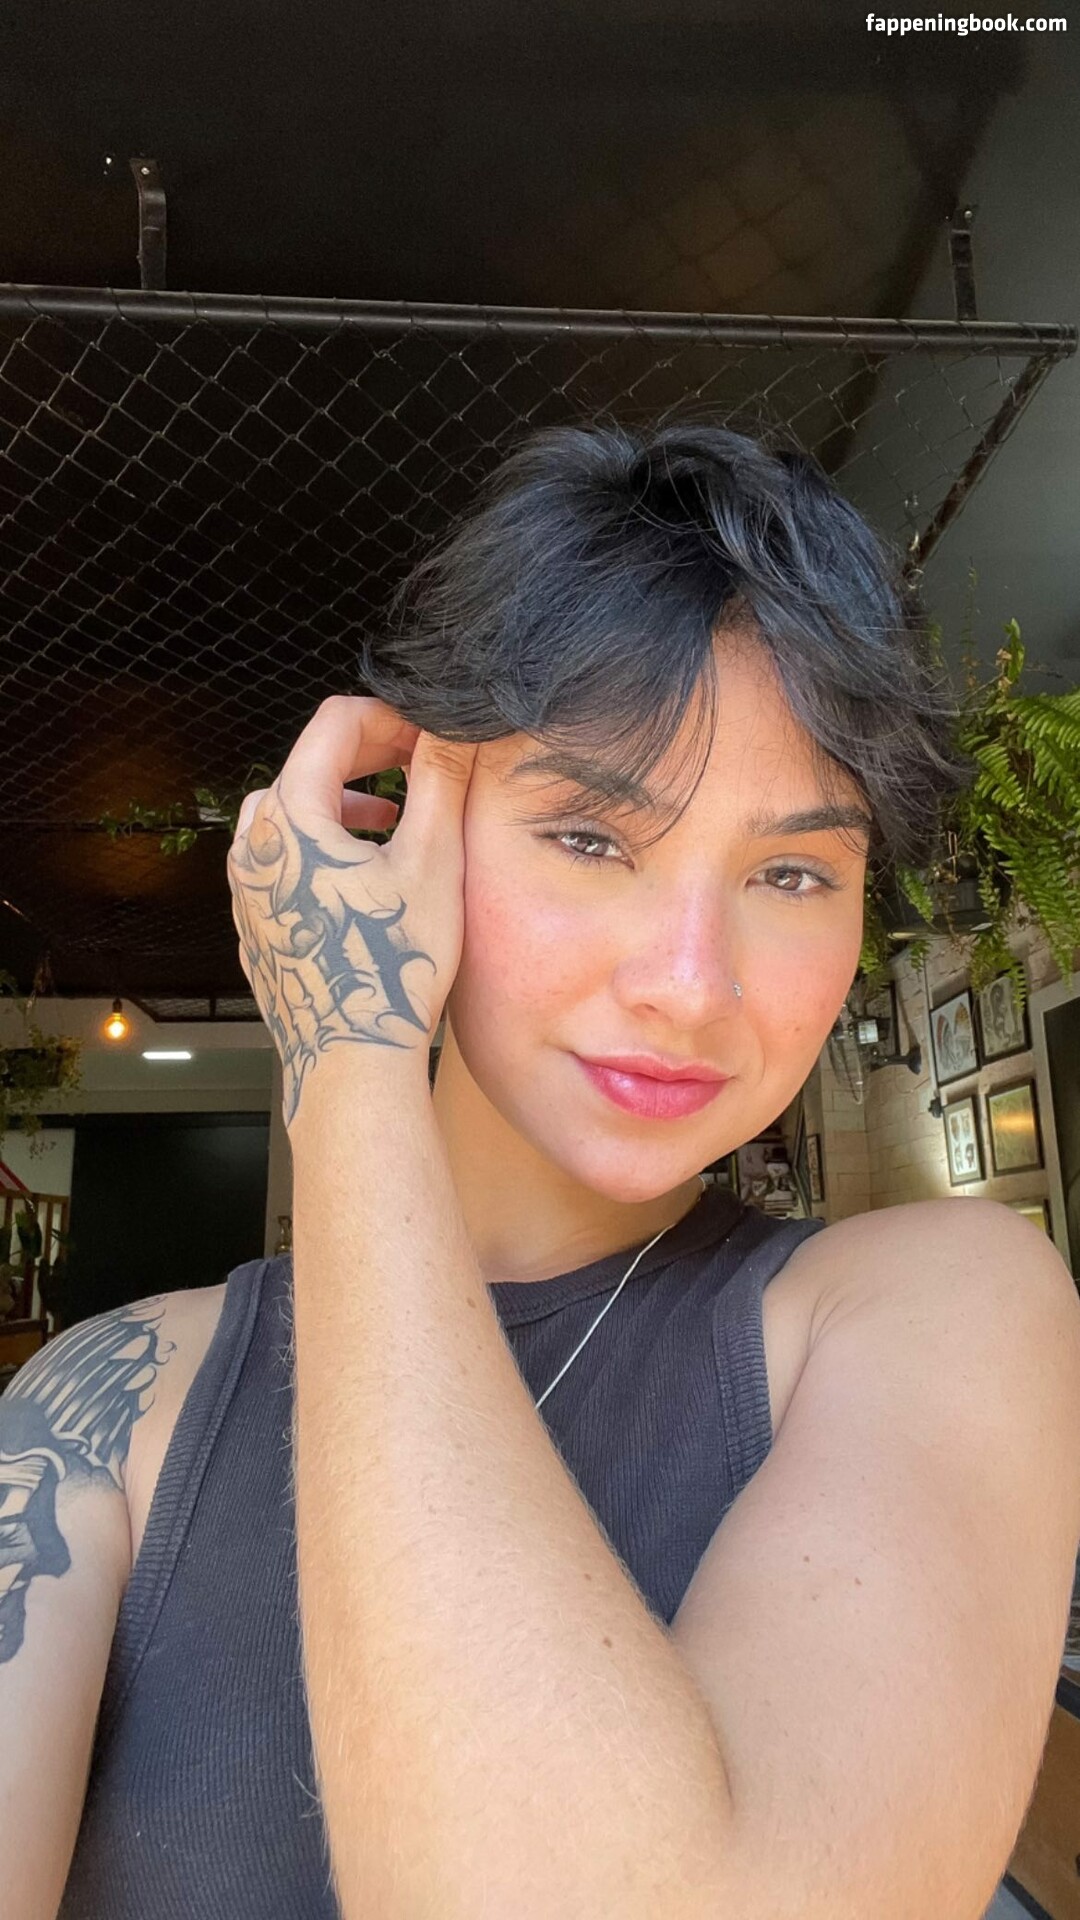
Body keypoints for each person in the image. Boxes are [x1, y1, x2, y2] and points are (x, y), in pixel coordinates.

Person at [3, 419, 1078, 1920]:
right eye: (587, 836)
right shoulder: (107, 1410)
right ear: (411, 832)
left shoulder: (937, 1313)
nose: (690, 984)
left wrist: (350, 1055)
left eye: (790, 872)